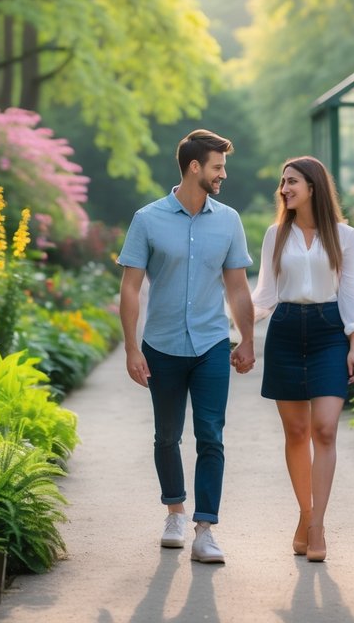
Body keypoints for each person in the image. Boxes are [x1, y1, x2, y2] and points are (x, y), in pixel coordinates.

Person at [117, 129, 256, 565]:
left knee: (211, 435)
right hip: (162, 345)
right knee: (166, 435)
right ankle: (174, 512)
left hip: (212, 342)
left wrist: (247, 339)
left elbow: (237, 288)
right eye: (217, 167)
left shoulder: (229, 220)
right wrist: (131, 349)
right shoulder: (148, 218)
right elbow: (131, 287)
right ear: (195, 167)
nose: (223, 175)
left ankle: (205, 529)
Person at [251, 156, 354, 563]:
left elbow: (350, 292)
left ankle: (317, 525)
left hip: (329, 332)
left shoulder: (345, 236)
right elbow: (264, 294)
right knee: (297, 432)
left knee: (326, 430)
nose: (284, 189)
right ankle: (305, 514)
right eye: (283, 182)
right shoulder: (275, 234)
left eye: (292, 181)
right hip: (284, 329)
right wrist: (241, 335)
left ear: (313, 186)